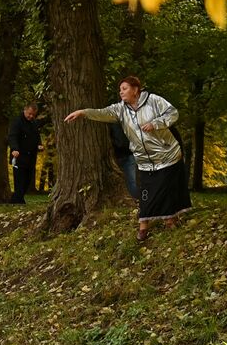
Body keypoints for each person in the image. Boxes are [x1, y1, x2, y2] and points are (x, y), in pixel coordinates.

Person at [64, 76, 191, 241]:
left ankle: (164, 222)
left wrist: (156, 123)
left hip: (166, 154)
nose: (121, 92)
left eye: (124, 88)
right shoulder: (120, 109)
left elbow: (172, 113)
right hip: (145, 160)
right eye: (120, 89)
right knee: (145, 192)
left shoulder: (153, 101)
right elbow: (103, 113)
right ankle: (149, 224)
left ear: (136, 89)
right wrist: (83, 112)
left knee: (166, 189)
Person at [6, 103, 41, 204]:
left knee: (28, 180)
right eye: (29, 114)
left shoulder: (34, 123)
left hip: (31, 156)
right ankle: (18, 201)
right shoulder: (17, 122)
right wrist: (14, 149)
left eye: (33, 115)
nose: (31, 116)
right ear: (25, 110)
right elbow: (12, 136)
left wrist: (39, 144)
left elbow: (37, 136)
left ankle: (16, 199)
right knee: (19, 180)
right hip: (19, 156)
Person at [109, 122, 138, 200]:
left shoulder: (115, 124)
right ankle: (136, 198)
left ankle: (136, 198)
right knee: (132, 180)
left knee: (132, 180)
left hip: (123, 154)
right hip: (127, 154)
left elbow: (121, 142)